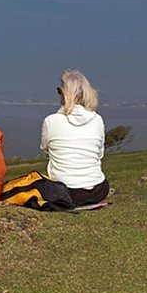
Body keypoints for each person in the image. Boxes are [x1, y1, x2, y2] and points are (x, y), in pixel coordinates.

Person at [40, 70, 109, 206]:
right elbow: (99, 154)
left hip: (66, 192)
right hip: (98, 190)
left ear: (65, 94)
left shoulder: (51, 121)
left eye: (60, 91)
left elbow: (45, 150)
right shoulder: (97, 120)